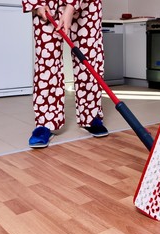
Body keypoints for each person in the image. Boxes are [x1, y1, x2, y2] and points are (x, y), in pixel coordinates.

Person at [22, 0, 109, 148]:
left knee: (89, 59)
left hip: (87, 5)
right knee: (46, 61)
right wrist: (36, 4)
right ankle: (45, 122)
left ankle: (91, 115)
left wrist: (71, 7)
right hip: (46, 4)